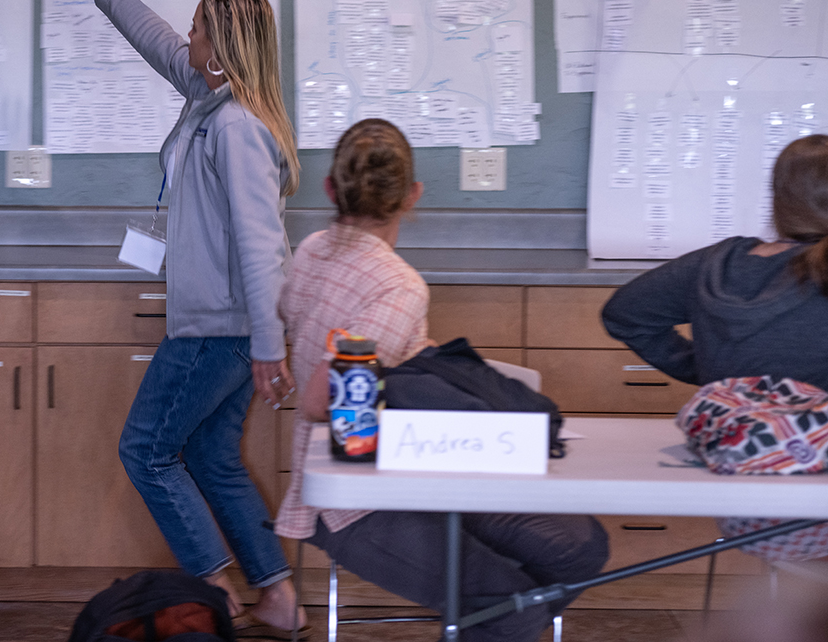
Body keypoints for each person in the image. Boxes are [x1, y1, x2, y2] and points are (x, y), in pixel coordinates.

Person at [47, 0, 305, 635]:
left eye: (197, 30)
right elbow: (153, 36)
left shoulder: (236, 128)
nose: (186, 39)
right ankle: (278, 599)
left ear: (220, 50)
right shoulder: (207, 95)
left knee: (147, 451)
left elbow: (261, 248)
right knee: (214, 456)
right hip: (222, 324)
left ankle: (215, 589)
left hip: (218, 326)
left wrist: (267, 345)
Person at [276, 119, 609, 642]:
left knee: (577, 548)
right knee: (511, 607)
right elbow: (322, 397)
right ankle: (492, 616)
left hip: (409, 470)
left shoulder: (312, 250)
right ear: (412, 196)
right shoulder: (398, 285)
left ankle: (482, 617)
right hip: (355, 501)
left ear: (329, 188)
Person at [602, 134, 828, 391]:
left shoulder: (717, 263)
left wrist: (709, 369)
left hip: (727, 427)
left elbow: (625, 314)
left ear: (779, 197)